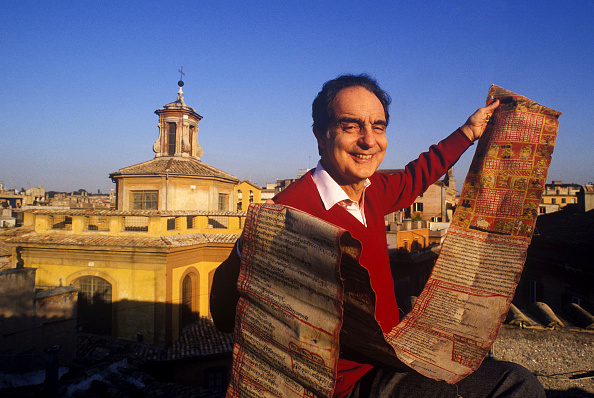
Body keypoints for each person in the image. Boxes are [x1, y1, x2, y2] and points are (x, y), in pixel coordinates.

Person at [210, 74, 545, 397]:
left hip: (393, 358)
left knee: (506, 377)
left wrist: (469, 132)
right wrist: (249, 246)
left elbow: (418, 174)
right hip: (349, 385)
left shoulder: (372, 191)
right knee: (516, 386)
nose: (369, 140)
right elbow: (225, 315)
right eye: (351, 125)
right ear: (321, 134)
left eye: (378, 126)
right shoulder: (290, 213)